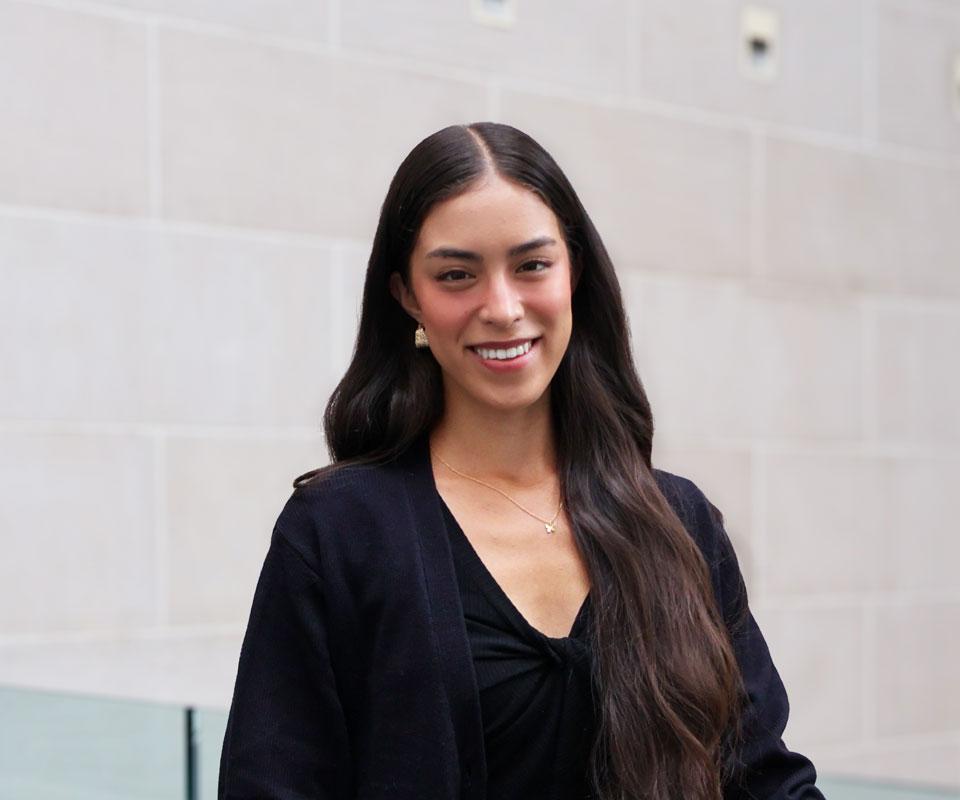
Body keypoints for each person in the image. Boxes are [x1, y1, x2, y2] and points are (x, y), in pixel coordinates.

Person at [217, 122, 823, 800]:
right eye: (456, 275)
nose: (502, 308)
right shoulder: (337, 533)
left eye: (532, 265)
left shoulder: (678, 523)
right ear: (407, 296)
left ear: (576, 273)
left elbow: (765, 780)